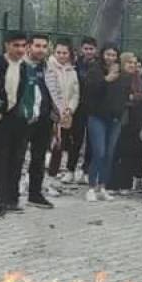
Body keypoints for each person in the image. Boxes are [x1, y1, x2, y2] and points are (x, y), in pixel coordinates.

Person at [0, 32, 31, 218]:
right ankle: (0, 202)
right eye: (16, 45)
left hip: (20, 119)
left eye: (22, 46)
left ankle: (13, 199)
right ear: (6, 45)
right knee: (1, 160)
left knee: (18, 159)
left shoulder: (26, 68)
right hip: (0, 119)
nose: (20, 49)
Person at [83, 44, 126, 202]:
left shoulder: (121, 74)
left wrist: (119, 113)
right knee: (99, 152)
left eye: (114, 55)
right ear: (102, 55)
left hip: (114, 119)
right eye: (108, 54)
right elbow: (89, 91)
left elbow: (123, 95)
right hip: (97, 117)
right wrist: (106, 80)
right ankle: (91, 187)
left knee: (109, 154)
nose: (110, 58)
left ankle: (102, 186)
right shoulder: (95, 71)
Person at [19, 34, 57, 209]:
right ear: (28, 47)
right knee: (17, 157)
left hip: (44, 120)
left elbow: (54, 92)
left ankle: (35, 194)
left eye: (44, 46)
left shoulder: (48, 68)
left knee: (39, 158)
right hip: (23, 119)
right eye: (37, 46)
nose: (41, 49)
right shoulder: (20, 65)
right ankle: (10, 195)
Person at [108, 51, 142, 195]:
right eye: (129, 63)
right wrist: (130, 98)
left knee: (130, 153)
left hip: (136, 120)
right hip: (120, 119)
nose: (132, 66)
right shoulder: (118, 78)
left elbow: (141, 96)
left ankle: (126, 183)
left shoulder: (138, 79)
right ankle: (112, 184)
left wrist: (133, 97)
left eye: (134, 63)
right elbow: (118, 98)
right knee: (116, 152)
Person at [45, 38, 81, 186]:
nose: (61, 55)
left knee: (59, 148)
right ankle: (35, 180)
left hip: (65, 115)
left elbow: (75, 93)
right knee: (45, 148)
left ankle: (52, 179)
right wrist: (56, 109)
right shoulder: (48, 67)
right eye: (58, 52)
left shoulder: (72, 71)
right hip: (50, 114)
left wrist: (70, 109)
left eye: (64, 53)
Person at [61, 36, 96, 183]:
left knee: (92, 141)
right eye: (86, 48)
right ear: (82, 49)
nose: (88, 51)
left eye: (91, 49)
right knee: (76, 139)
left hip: (94, 108)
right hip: (78, 107)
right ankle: (70, 170)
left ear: (96, 50)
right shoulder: (75, 64)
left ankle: (86, 171)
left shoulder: (100, 66)